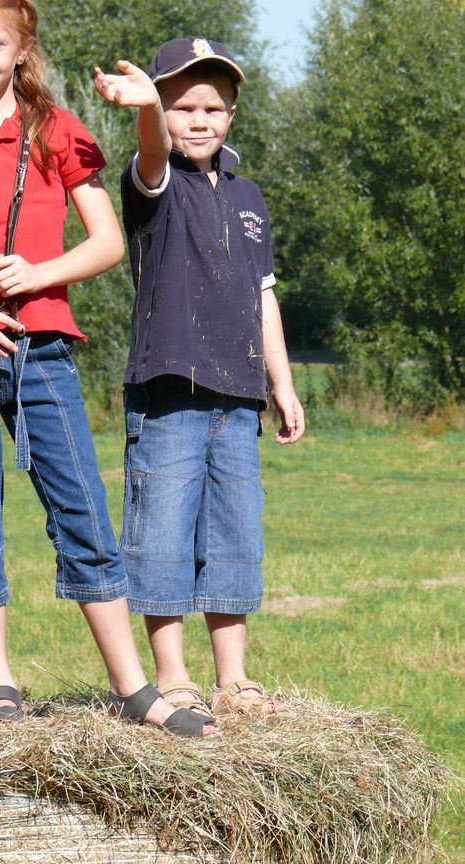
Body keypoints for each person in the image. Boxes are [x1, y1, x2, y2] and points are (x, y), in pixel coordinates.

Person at [0, 0, 216, 737]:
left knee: (83, 515)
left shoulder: (56, 129)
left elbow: (106, 242)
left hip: (44, 351)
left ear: (21, 47)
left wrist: (40, 273)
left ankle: (134, 692)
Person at [94, 36, 305, 720]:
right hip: (168, 394)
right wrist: (146, 110)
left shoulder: (250, 199)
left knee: (233, 533)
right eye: (181, 106)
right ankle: (173, 676)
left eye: (212, 107)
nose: (198, 120)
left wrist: (282, 382)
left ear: (232, 114)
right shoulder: (151, 184)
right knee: (162, 534)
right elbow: (152, 148)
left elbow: (262, 297)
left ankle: (234, 677)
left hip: (238, 396)